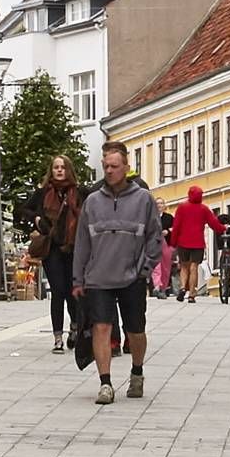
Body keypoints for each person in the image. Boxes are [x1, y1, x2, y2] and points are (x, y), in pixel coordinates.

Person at [72, 143, 161, 405]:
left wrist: (145, 268)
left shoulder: (143, 199)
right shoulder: (92, 201)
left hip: (132, 276)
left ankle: (137, 371)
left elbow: (155, 238)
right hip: (98, 277)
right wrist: (78, 279)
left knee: (135, 330)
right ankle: (105, 383)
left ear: (126, 168)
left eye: (114, 166)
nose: (109, 171)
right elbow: (82, 244)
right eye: (106, 166)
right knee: (101, 326)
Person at [21, 155, 85, 354]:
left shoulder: (79, 192)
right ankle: (58, 337)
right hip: (52, 248)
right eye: (56, 167)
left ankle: (74, 327)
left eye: (63, 167)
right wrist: (37, 219)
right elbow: (23, 209)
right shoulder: (43, 192)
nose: (59, 170)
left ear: (69, 170)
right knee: (58, 291)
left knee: (72, 291)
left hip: (73, 247)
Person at [169, 185, 225, 303]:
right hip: (198, 243)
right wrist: (222, 228)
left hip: (183, 242)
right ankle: (192, 294)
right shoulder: (204, 209)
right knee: (194, 267)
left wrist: (173, 242)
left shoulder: (182, 207)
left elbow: (176, 226)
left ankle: (183, 287)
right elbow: (213, 223)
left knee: (184, 266)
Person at [152, 198, 176, 300]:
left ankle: (163, 288)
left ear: (164, 205)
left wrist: (168, 232)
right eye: (157, 203)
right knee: (156, 265)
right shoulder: (151, 217)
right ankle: (157, 286)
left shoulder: (169, 217)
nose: (159, 205)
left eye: (161, 203)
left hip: (167, 244)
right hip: (154, 243)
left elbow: (174, 228)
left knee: (166, 267)